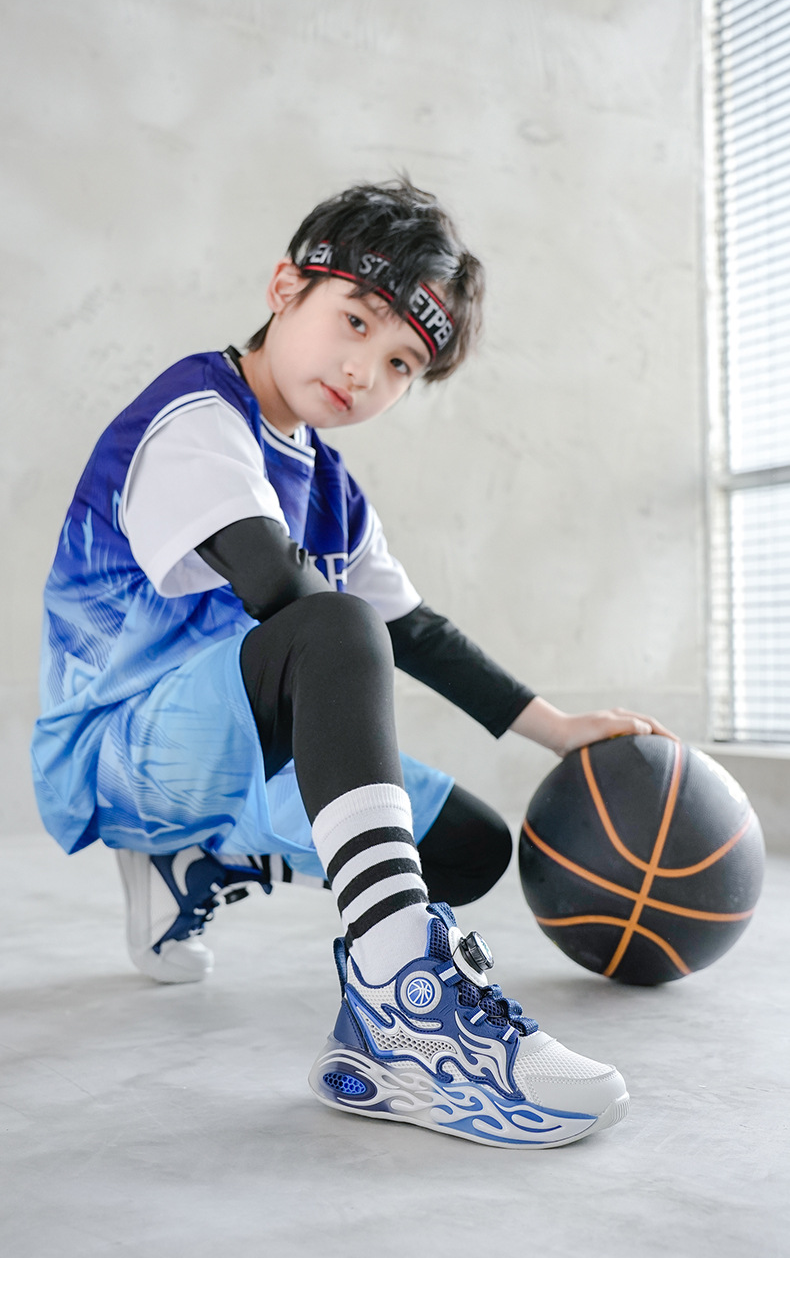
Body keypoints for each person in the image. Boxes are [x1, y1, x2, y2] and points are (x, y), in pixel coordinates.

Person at [32, 177, 674, 1150]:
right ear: (285, 287)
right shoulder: (195, 414)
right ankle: (397, 1014)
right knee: (331, 626)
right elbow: (288, 597)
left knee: (465, 848)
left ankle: (194, 859)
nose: (363, 370)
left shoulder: (331, 489)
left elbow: (413, 629)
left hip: (234, 749)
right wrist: (348, 643)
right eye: (356, 319)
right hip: (114, 749)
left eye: (400, 361)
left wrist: (557, 730)